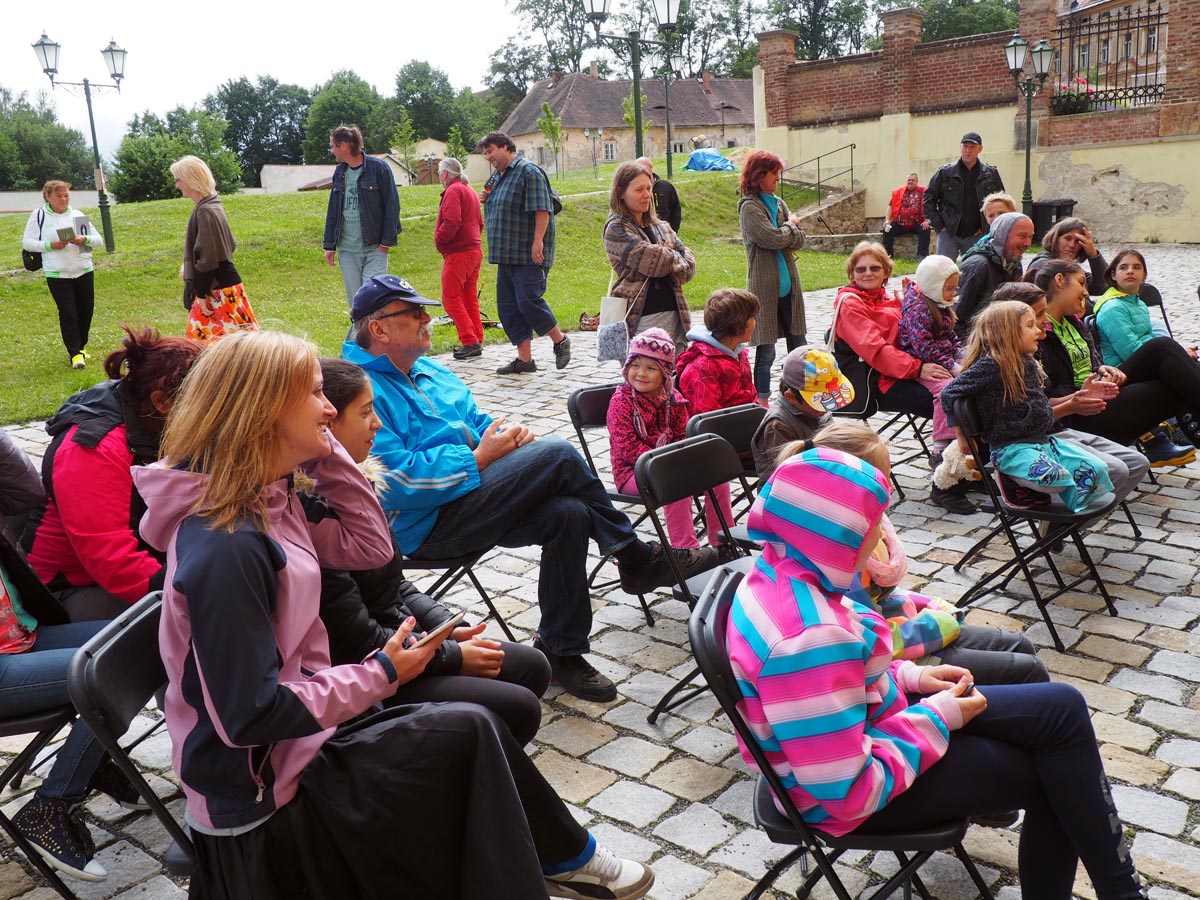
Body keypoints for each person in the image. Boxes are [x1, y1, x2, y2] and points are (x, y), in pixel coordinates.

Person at [135, 330, 655, 900]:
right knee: (469, 729)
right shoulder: (228, 544)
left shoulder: (271, 500)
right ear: (263, 412)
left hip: (310, 737)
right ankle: (559, 861)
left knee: (474, 727)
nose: (328, 410)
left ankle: (552, 859)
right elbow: (247, 717)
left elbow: (369, 549)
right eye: (315, 395)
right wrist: (383, 673)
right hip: (266, 793)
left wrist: (324, 449)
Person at [726, 446, 1145, 900]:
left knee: (1062, 706)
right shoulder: (808, 639)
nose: (881, 534)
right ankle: (1121, 892)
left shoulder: (787, 569)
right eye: (872, 524)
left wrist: (911, 678)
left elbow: (846, 678)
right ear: (835, 533)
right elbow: (847, 791)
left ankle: (1121, 892)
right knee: (1054, 776)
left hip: (868, 728)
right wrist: (937, 717)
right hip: (848, 796)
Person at [343, 274, 718, 702]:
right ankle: (634, 557)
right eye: (414, 313)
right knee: (557, 454)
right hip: (426, 524)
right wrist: (479, 457)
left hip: (474, 496)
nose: (427, 319)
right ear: (379, 328)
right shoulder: (361, 390)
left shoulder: (429, 370)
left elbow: (479, 422)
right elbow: (394, 483)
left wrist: (509, 438)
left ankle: (561, 650)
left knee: (568, 514)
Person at [314, 357, 550, 747]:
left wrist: (444, 626)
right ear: (329, 423)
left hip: (403, 641)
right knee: (519, 704)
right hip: (370, 671)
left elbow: (392, 585)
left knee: (532, 665)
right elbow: (353, 637)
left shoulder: (358, 486)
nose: (378, 425)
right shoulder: (319, 513)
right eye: (366, 412)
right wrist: (450, 655)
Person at [783, 419, 1049, 685]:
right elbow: (872, 641)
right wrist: (937, 624)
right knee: (1029, 668)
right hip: (898, 662)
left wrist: (929, 605)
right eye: (883, 480)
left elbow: (882, 596)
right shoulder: (842, 560)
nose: (890, 488)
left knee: (1020, 644)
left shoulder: (859, 531)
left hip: (903, 629)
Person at [2, 430, 148, 883]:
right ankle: (52, 805)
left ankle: (93, 762)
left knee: (155, 636)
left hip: (23, 636)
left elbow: (25, 491)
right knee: (113, 667)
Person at [23, 327, 203, 622]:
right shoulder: (92, 449)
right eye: (205, 402)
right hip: (68, 591)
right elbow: (115, 564)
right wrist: (203, 590)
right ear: (162, 402)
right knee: (204, 619)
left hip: (139, 566)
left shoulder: (151, 416)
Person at [984, 281, 1150, 509]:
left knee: (1138, 463)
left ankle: (1063, 527)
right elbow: (1034, 416)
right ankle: (1062, 524)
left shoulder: (1030, 353)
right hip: (1038, 439)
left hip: (1055, 430)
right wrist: (1073, 403)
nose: (1045, 320)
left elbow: (1044, 403)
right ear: (1009, 324)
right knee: (1117, 470)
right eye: (1037, 316)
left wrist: (1083, 393)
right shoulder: (1003, 364)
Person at [827, 242, 966, 511]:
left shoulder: (889, 298)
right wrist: (918, 367)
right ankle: (946, 485)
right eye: (861, 269)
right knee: (957, 403)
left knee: (972, 392)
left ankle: (968, 469)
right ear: (851, 273)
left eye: (875, 268)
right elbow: (876, 350)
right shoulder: (850, 304)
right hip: (880, 382)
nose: (868, 273)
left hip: (908, 370)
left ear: (886, 271)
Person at [939, 300, 1113, 512]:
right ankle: (1010, 478)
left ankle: (1060, 514)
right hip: (1011, 447)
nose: (1039, 330)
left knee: (1097, 469)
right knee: (1055, 477)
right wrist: (961, 434)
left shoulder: (1028, 363)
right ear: (1008, 333)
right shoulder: (992, 365)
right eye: (1030, 325)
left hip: (1042, 442)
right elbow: (949, 392)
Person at [1025, 261, 1200, 465]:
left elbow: (1090, 363)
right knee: (1172, 379)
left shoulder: (1072, 321)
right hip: (1078, 409)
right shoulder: (1038, 333)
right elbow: (1045, 395)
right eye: (1081, 283)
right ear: (1060, 281)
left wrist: (1101, 369)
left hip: (1099, 389)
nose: (1086, 292)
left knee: (1163, 351)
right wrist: (1087, 389)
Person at [478, 131, 571, 375]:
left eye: (490, 151)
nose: (488, 157)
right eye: (485, 153)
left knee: (528, 302)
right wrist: (487, 198)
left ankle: (560, 341)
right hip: (506, 255)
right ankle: (525, 360)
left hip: (528, 254)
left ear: (505, 146)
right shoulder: (499, 176)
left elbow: (542, 209)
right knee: (509, 308)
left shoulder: (528, 171)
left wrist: (538, 241)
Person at [677, 289, 760, 545]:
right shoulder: (704, 365)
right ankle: (726, 541)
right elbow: (706, 423)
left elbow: (750, 399)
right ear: (738, 325)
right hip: (719, 447)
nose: (755, 322)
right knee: (782, 455)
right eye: (752, 317)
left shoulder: (738, 354)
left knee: (794, 445)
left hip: (745, 440)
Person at [607, 328, 701, 548]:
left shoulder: (674, 400)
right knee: (675, 483)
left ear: (665, 374)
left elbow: (682, 437)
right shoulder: (621, 402)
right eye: (635, 365)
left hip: (669, 465)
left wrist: (682, 460)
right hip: (632, 472)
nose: (641, 373)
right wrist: (665, 464)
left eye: (651, 368)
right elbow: (628, 448)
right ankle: (686, 551)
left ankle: (722, 542)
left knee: (717, 476)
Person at [603, 161, 696, 352]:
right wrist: (675, 256)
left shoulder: (661, 226)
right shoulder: (617, 229)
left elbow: (689, 267)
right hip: (641, 318)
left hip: (676, 315)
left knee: (677, 369)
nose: (647, 194)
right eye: (639, 190)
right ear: (621, 192)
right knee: (645, 369)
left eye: (648, 188)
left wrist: (671, 257)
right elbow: (654, 263)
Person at [737, 150, 807, 400]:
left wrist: (787, 232)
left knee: (799, 345)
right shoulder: (749, 207)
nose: (778, 178)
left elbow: (801, 239)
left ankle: (801, 395)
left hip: (790, 288)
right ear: (759, 175)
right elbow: (771, 238)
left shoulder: (779, 203)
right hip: (764, 290)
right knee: (767, 351)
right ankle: (762, 399)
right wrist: (790, 226)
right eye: (774, 173)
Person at [172, 155, 259, 341]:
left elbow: (209, 259)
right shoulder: (212, 205)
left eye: (178, 180)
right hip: (226, 287)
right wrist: (189, 266)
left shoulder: (205, 210)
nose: (177, 185)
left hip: (218, 291)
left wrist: (202, 294)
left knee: (207, 347)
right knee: (240, 346)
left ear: (190, 179)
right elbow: (223, 247)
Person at [22, 180, 101, 368]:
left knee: (85, 311)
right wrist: (50, 245)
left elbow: (98, 240)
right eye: (59, 196)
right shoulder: (39, 216)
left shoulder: (77, 215)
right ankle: (74, 354)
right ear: (48, 197)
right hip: (57, 274)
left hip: (83, 270)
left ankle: (81, 347)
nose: (64, 199)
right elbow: (27, 242)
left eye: (67, 195)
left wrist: (84, 239)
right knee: (68, 313)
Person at [322, 124, 400, 309]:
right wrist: (330, 245)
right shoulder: (340, 172)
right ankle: (359, 330)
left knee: (373, 299)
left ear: (344, 146)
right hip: (347, 251)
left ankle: (375, 328)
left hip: (375, 249)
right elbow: (333, 209)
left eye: (333, 146)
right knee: (357, 303)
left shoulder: (379, 168)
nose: (332, 151)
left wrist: (385, 244)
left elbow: (392, 206)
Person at [898, 255, 963, 472]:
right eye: (949, 288)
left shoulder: (939, 302)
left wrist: (958, 351)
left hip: (943, 355)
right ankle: (941, 445)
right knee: (946, 390)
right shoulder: (918, 309)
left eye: (955, 288)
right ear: (933, 286)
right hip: (923, 362)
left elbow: (950, 333)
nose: (953, 293)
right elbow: (922, 347)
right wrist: (950, 365)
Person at [750, 345, 854, 479]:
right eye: (818, 404)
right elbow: (789, 473)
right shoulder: (777, 425)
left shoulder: (817, 411)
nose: (825, 409)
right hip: (788, 486)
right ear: (791, 397)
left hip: (821, 475)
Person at [1093, 249, 1195, 367]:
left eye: (1136, 268)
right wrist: (1174, 357)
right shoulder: (1112, 308)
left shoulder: (1139, 304)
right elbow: (1130, 352)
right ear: (1113, 275)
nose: (1130, 271)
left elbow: (1150, 338)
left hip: (1148, 361)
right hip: (1124, 369)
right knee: (1167, 345)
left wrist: (1179, 355)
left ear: (1144, 275)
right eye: (1123, 268)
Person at [434, 157, 485, 360]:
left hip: (458, 253)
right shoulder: (469, 190)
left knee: (450, 298)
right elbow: (480, 224)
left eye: (439, 173)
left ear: (445, 173)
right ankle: (476, 337)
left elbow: (452, 221)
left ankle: (469, 340)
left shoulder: (453, 190)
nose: (439, 177)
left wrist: (440, 240)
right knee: (468, 297)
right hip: (474, 251)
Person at [924, 132, 1006, 259]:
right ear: (960, 147)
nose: (968, 150)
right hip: (949, 233)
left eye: (972, 147)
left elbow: (1001, 202)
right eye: (965, 146)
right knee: (943, 268)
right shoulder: (945, 173)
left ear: (980, 149)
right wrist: (940, 226)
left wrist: (986, 226)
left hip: (977, 234)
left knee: (975, 267)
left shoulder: (990, 173)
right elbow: (928, 199)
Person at [954, 211, 1035, 338]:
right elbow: (956, 317)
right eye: (1022, 236)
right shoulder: (978, 266)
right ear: (1002, 234)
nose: (1028, 243)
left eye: (1030, 237)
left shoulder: (1014, 264)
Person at [1025, 217, 1109, 296]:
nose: (1072, 245)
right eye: (1068, 238)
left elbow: (1102, 287)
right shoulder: (1043, 265)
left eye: (1077, 241)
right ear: (1055, 238)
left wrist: (1093, 254)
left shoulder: (1072, 268)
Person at [881, 172, 930, 260]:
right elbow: (890, 206)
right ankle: (888, 257)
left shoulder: (923, 191)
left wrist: (927, 221)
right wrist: (887, 220)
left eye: (912, 180)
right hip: (900, 224)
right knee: (886, 230)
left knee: (925, 229)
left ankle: (922, 256)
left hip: (916, 223)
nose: (910, 182)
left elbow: (929, 205)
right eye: (908, 180)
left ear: (917, 181)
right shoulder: (899, 192)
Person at [636, 156, 682, 231]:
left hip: (665, 231)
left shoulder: (665, 186)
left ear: (651, 168)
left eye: (643, 168)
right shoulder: (634, 189)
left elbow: (676, 209)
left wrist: (673, 230)